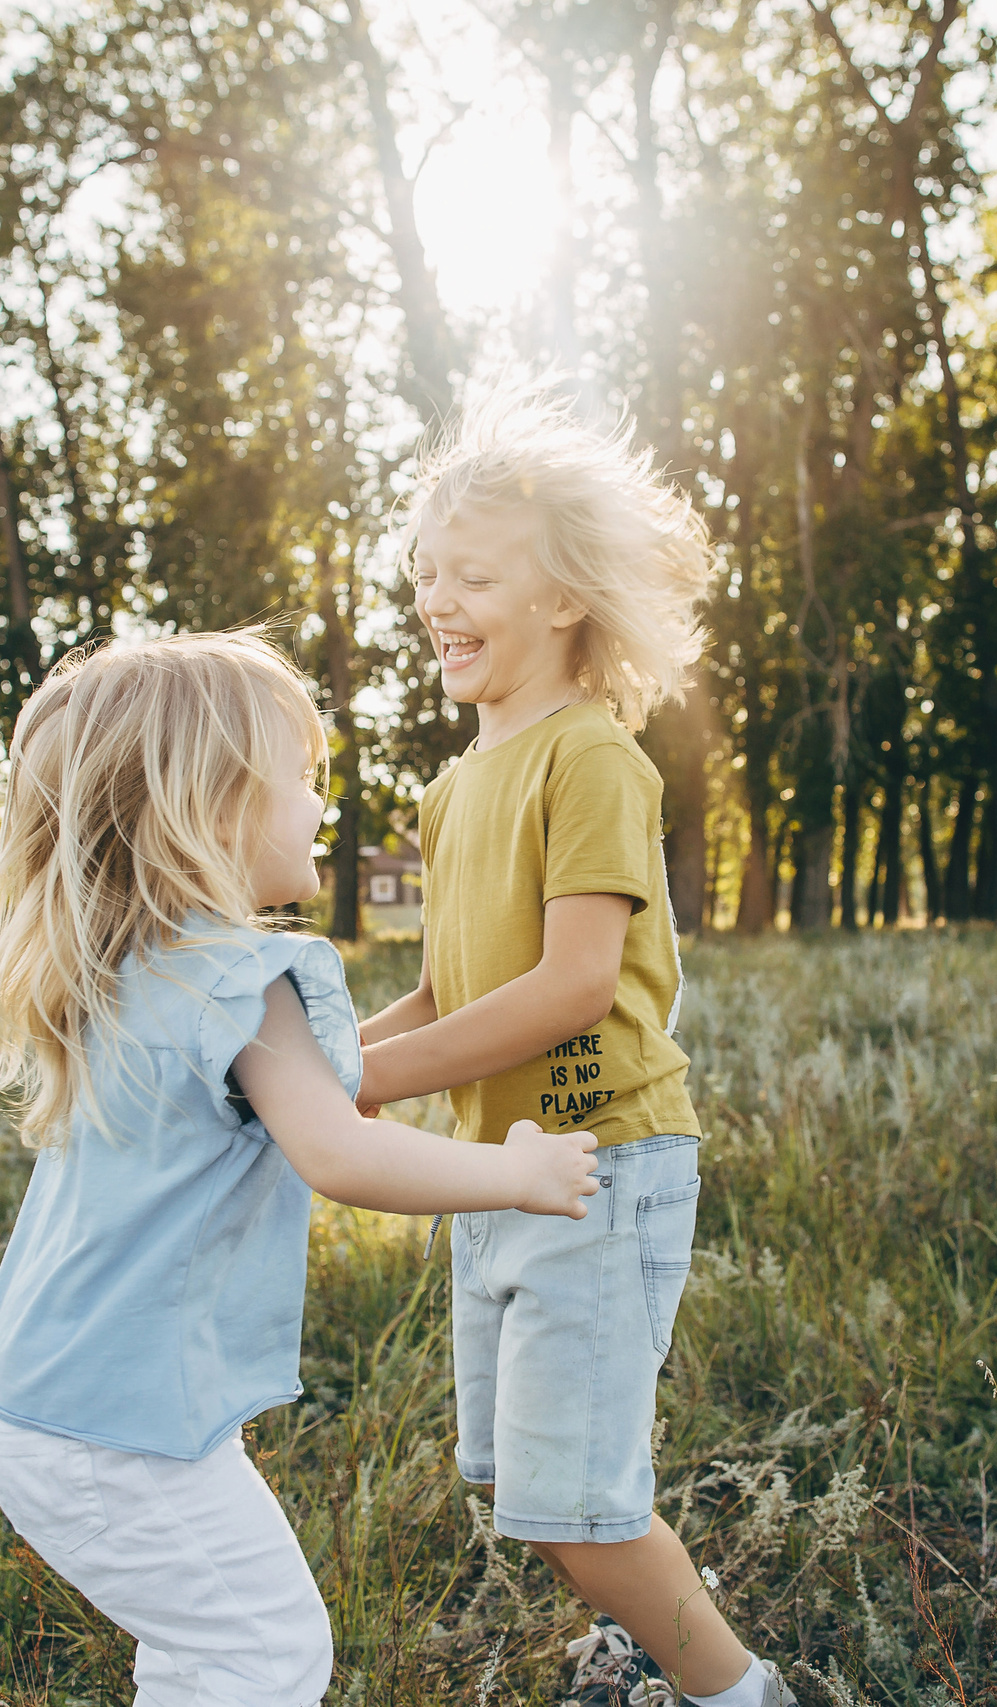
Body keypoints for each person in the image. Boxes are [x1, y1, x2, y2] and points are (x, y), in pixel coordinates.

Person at [0, 630, 604, 1706]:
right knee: (264, 1653)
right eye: (302, 779)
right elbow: (339, 1146)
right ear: (211, 806)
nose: (320, 803)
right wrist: (516, 1174)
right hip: (117, 1432)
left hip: (52, 1400)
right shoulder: (240, 982)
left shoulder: (129, 966)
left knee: (207, 1649)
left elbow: (336, 1076)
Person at [356, 385, 795, 1707]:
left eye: (473, 573)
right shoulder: (450, 785)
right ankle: (637, 1638)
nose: (438, 597)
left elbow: (570, 985)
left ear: (561, 598)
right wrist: (318, 1053)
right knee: (517, 1476)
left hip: (600, 1160)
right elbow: (446, 989)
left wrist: (361, 1083)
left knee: (578, 1498)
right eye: (426, 573)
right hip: (500, 1172)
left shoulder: (590, 757)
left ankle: (735, 1693)